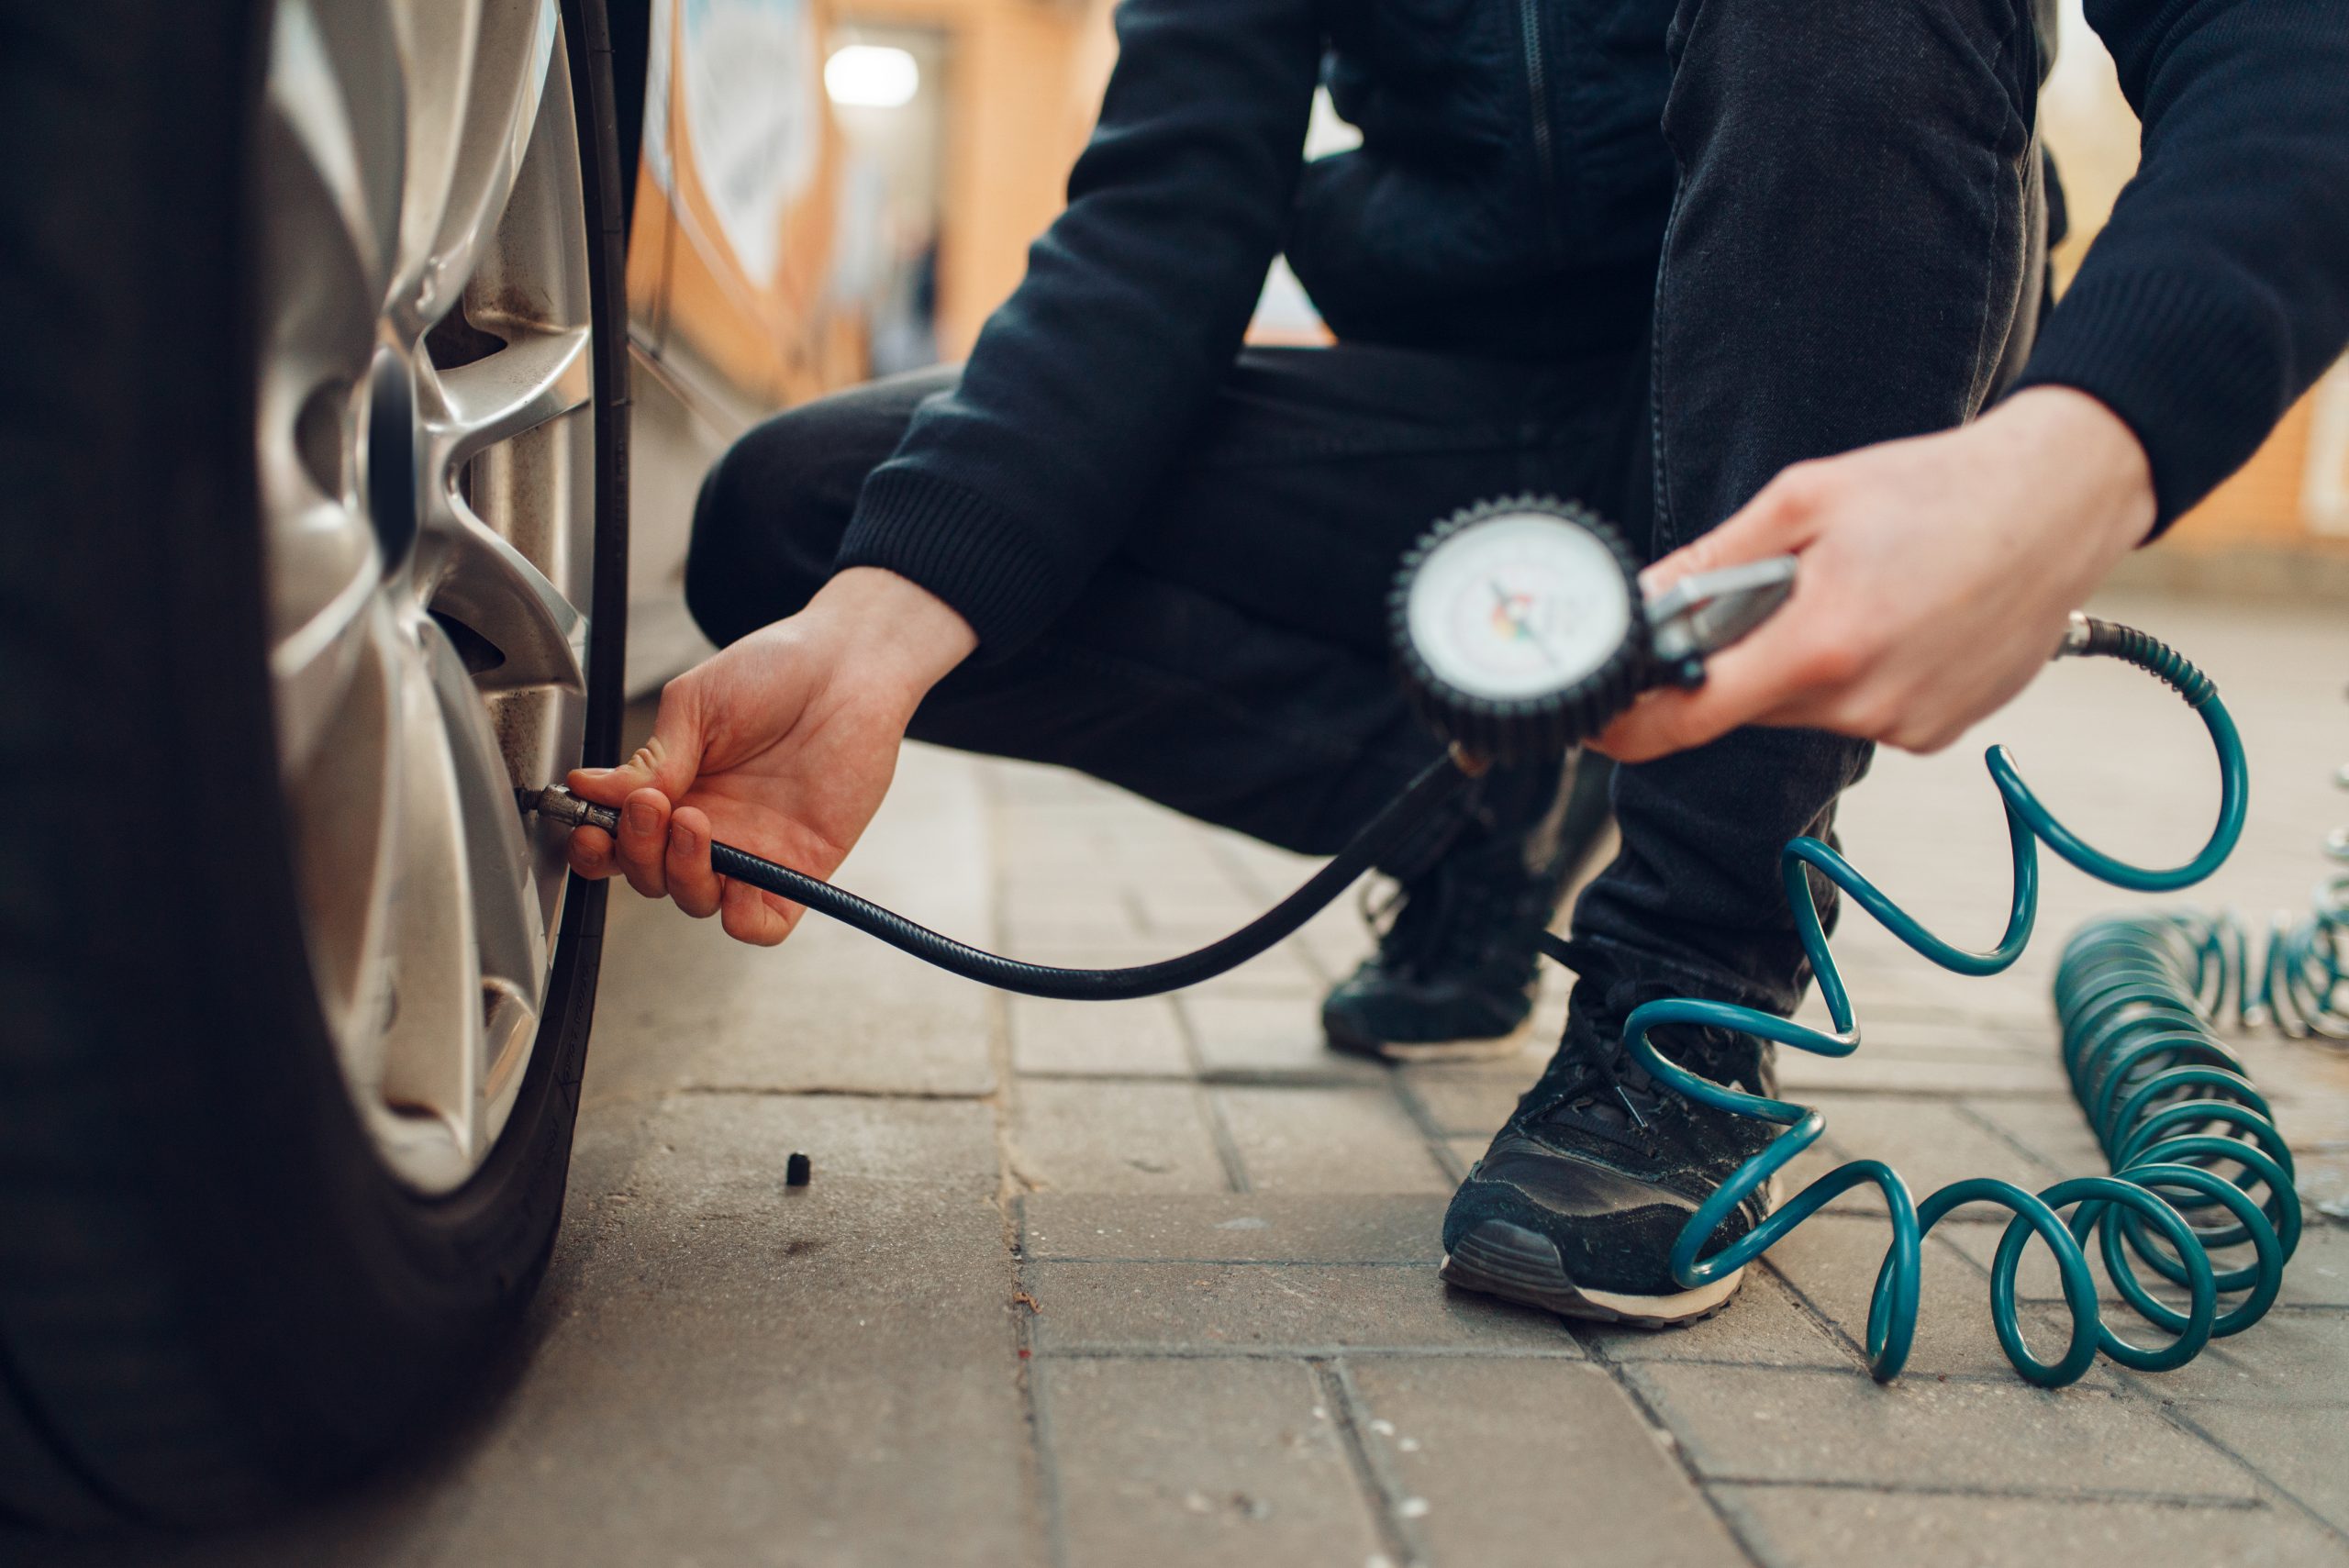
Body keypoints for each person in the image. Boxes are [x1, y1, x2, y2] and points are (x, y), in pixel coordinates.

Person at [566, 0, 2349, 1325]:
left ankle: (1684, 997)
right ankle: (1482, 816)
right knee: (804, 517)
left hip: (1834, 367)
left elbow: (2286, 52)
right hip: (1478, 436)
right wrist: (880, 632)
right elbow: (1159, 219)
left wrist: (2077, 453)